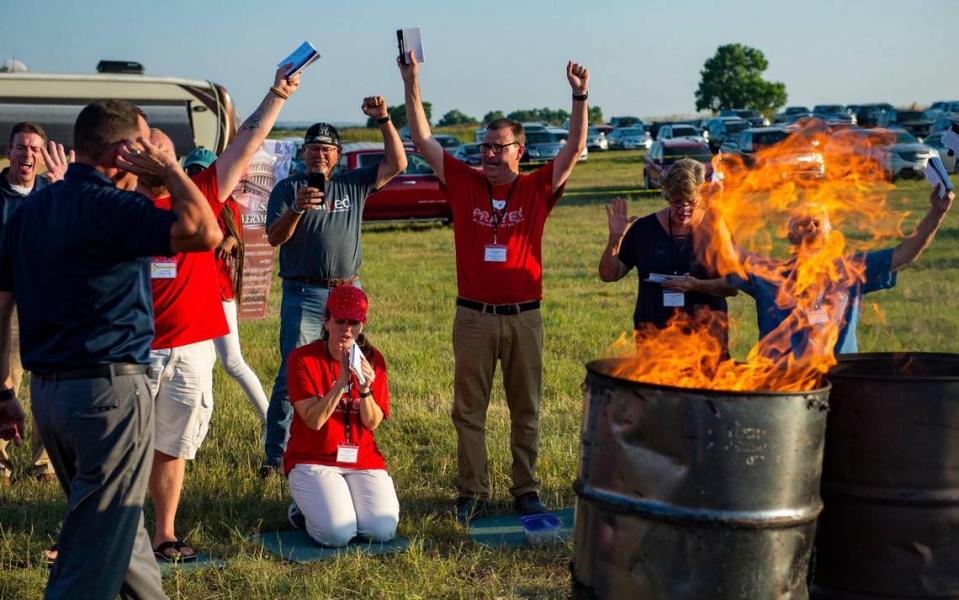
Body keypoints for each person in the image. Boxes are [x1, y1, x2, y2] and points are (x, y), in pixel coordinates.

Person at [0, 98, 220, 599]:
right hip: (109, 397)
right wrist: (170, 168)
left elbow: (3, 304)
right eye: (142, 143)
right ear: (124, 152)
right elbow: (205, 230)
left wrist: (2, 389)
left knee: (121, 531)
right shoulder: (114, 208)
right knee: (89, 564)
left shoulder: (31, 210)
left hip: (49, 399)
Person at [398, 51, 589, 520]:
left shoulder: (537, 187)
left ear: (518, 151)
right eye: (484, 147)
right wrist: (412, 78)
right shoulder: (464, 182)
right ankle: (473, 491)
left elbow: (572, 150)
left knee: (526, 409)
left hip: (524, 316)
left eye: (497, 148)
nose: (487, 154)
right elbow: (422, 139)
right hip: (475, 316)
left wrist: (579, 96)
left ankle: (526, 488)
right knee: (468, 411)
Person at [138, 66, 300, 562]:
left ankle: (163, 534)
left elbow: (247, 143)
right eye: (150, 148)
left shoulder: (203, 192)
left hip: (189, 347)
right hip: (133, 347)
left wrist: (276, 92)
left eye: (163, 149)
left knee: (174, 444)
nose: (157, 155)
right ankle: (104, 534)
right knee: (116, 449)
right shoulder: (116, 204)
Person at [261, 97, 406, 477]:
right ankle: (275, 455)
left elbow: (397, 163)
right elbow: (274, 238)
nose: (319, 156)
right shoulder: (287, 188)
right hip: (304, 293)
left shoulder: (353, 183)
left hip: (346, 293)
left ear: (337, 154)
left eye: (326, 149)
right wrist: (295, 208)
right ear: (303, 153)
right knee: (293, 369)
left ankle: (350, 442)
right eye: (313, 149)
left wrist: (385, 120)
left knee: (353, 366)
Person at [666, 186, 955, 357]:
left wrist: (937, 212)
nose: (811, 227)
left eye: (818, 222)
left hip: (840, 383)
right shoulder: (768, 274)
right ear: (789, 235)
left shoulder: (850, 270)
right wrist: (715, 207)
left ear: (830, 233)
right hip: (782, 387)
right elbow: (731, 252)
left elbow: (907, 253)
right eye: (802, 222)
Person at [283, 284, 399, 547]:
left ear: (361, 326)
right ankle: (304, 510)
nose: (346, 329)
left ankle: (333, 504)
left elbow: (372, 422)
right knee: (337, 534)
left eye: (354, 322)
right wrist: (341, 382)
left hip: (362, 460)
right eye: (340, 321)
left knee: (382, 531)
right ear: (326, 321)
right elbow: (313, 420)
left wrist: (365, 389)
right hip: (314, 459)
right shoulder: (302, 358)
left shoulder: (373, 360)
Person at [0, 122, 72, 486]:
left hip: (44, 297)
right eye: (21, 147)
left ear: (42, 156)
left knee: (46, 378)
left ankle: (44, 461)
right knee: (3, 376)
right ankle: (1, 459)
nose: (27, 155)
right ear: (9, 151)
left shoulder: (53, 191)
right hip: (3, 295)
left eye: (34, 149)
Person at [599, 158, 736, 345]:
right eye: (677, 202)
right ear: (668, 195)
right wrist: (615, 238)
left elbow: (732, 286)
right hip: (654, 340)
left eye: (691, 202)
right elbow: (609, 275)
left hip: (706, 340)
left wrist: (696, 285)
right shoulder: (644, 229)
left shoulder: (716, 229)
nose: (684, 209)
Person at [183, 147, 269, 423]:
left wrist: (232, 240)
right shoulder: (180, 204)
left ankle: (271, 420)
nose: (196, 176)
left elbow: (239, 239)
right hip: (190, 296)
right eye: (191, 170)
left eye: (201, 170)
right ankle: (199, 421)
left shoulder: (227, 206)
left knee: (232, 362)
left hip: (218, 295)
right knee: (200, 365)